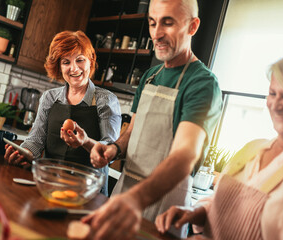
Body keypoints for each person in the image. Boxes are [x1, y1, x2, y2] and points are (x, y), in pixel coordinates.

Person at [82, 0, 223, 239]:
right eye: (152, 22)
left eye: (167, 23)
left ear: (192, 26)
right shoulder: (149, 77)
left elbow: (185, 156)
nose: (156, 33)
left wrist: (136, 199)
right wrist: (113, 150)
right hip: (126, 191)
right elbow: (131, 133)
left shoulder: (203, 83)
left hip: (165, 205)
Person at [155, 50, 283, 240]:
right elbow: (217, 202)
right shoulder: (252, 148)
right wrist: (193, 211)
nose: (276, 104)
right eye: (272, 93)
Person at [4, 31, 121, 196]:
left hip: (89, 190)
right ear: (59, 66)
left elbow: (110, 151)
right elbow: (36, 140)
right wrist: (22, 153)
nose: (74, 68)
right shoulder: (49, 98)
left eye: (80, 60)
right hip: (49, 182)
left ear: (91, 61)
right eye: (66, 62)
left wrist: (85, 142)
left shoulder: (106, 100)